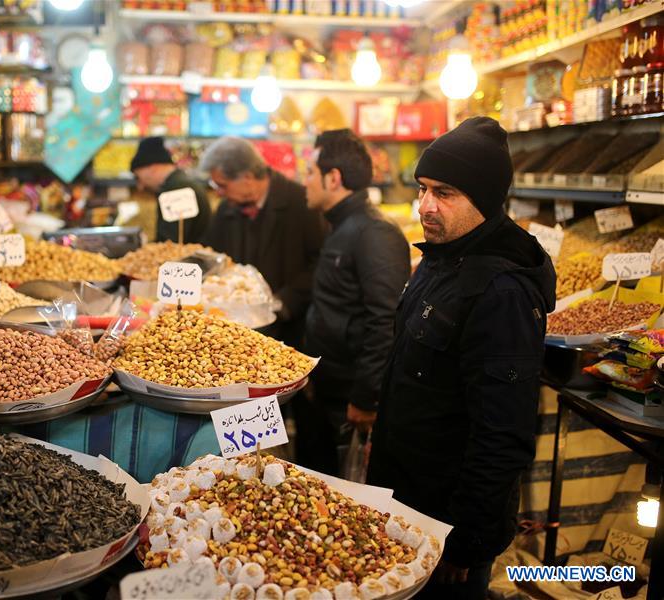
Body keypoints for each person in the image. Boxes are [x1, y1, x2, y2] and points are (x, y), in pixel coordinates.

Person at [366, 117, 556, 599]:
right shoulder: (442, 258)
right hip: (405, 503)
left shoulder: (502, 293)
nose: (425, 205)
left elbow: (503, 434)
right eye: (423, 189)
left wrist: (466, 542)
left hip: (445, 527)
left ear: (485, 199)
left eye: (444, 193)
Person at [296, 129, 410, 476]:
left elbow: (386, 321)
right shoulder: (341, 224)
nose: (304, 181)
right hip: (326, 387)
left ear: (333, 178)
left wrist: (365, 397)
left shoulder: (375, 232)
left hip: (348, 398)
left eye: (310, 172)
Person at [200, 136, 326, 347]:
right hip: (235, 330)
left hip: (290, 329)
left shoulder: (302, 203)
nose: (218, 193)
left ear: (247, 177)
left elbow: (320, 263)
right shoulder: (225, 210)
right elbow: (213, 254)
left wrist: (283, 302)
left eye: (222, 185)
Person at [130, 137, 211, 244]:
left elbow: (170, 243)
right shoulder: (181, 183)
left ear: (152, 168)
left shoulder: (176, 189)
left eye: (138, 177)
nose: (140, 186)